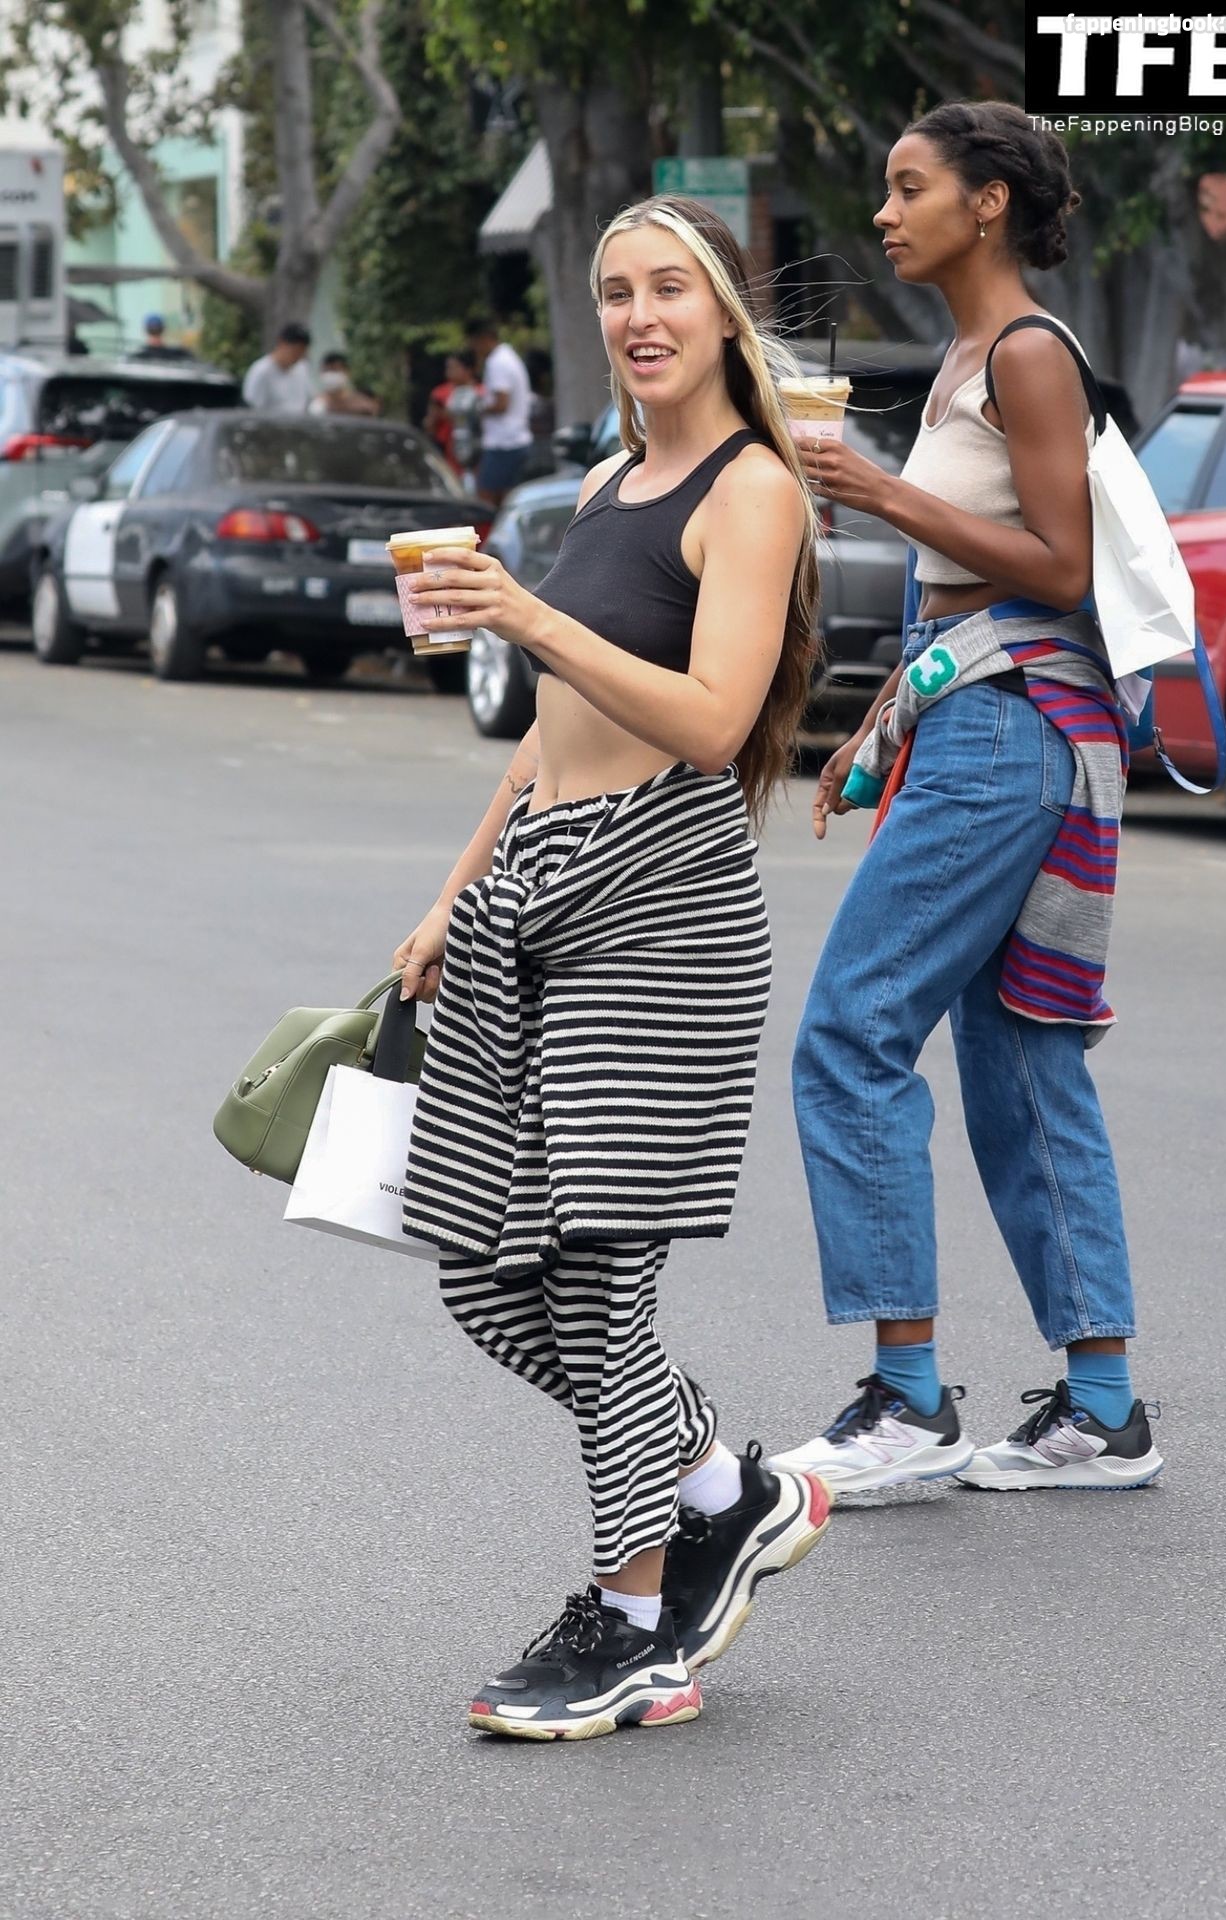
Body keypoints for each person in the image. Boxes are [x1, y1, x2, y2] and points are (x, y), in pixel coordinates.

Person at [391, 195, 830, 1740]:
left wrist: (523, 610)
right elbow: (549, 735)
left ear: (723, 313)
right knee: (479, 1260)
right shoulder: (603, 483)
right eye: (615, 291)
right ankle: (721, 1483)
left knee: (592, 1278)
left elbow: (713, 721)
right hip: (538, 895)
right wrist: (452, 895)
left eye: (669, 289)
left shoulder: (752, 492)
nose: (640, 316)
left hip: (662, 912)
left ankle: (637, 1627)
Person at [771, 101, 1164, 1497]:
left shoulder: (1027, 355)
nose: (884, 213)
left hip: (1013, 732)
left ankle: (907, 1400)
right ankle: (1101, 1409)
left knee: (851, 1030)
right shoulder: (959, 361)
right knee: (1020, 1062)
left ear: (987, 202)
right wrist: (878, 726)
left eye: (909, 186)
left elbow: (1055, 565)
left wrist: (878, 493)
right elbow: (964, 593)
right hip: (977, 718)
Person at [465, 314, 533, 505]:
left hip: (503, 442)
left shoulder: (497, 362)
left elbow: (501, 403)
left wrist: (478, 408)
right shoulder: (508, 356)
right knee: (506, 497)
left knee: (486, 495)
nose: (474, 349)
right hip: (515, 438)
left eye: (474, 343)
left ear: (484, 338)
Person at [424, 350, 483, 477]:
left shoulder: (481, 392)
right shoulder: (440, 393)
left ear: (468, 370)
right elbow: (430, 426)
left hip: (476, 454)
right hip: (449, 455)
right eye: (448, 367)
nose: (449, 372)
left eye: (454, 367)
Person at [242, 323, 313, 414]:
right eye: (295, 350)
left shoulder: (302, 368)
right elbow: (251, 408)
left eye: (302, 352)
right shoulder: (261, 371)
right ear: (282, 343)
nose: (298, 356)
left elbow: (308, 400)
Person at [308, 351, 380, 417]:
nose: (331, 374)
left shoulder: (362, 403)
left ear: (347, 372)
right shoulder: (316, 404)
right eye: (327, 370)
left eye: (335, 370)